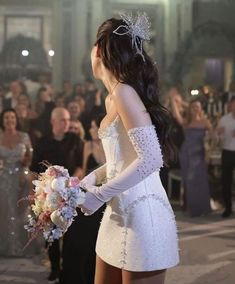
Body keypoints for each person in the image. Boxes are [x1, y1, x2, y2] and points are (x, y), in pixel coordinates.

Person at [79, 13, 179, 284]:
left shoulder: (125, 92)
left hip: (143, 217)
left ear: (98, 49)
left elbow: (150, 159)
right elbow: (125, 158)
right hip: (118, 213)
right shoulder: (113, 98)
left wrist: (99, 194)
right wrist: (92, 178)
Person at [170, 95, 212, 217]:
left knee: (201, 180)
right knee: (188, 181)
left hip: (199, 154)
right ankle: (192, 209)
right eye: (193, 106)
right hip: (186, 153)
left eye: (197, 107)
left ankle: (203, 208)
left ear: (200, 109)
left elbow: (214, 137)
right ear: (190, 108)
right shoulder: (186, 122)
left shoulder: (204, 121)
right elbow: (177, 115)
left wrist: (209, 152)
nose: (195, 109)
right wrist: (173, 100)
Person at [0, 108, 33, 256]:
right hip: (4, 178)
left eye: (12, 117)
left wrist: (25, 162)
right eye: (6, 118)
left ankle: (23, 246)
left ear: (16, 119)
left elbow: (30, 157)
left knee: (22, 210)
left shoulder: (24, 136)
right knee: (6, 211)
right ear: (2, 120)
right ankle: (7, 246)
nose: (10, 120)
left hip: (22, 177)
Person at [217, 96, 235, 218]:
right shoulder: (224, 119)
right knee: (226, 181)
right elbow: (219, 140)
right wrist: (220, 135)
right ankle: (228, 208)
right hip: (227, 152)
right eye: (232, 104)